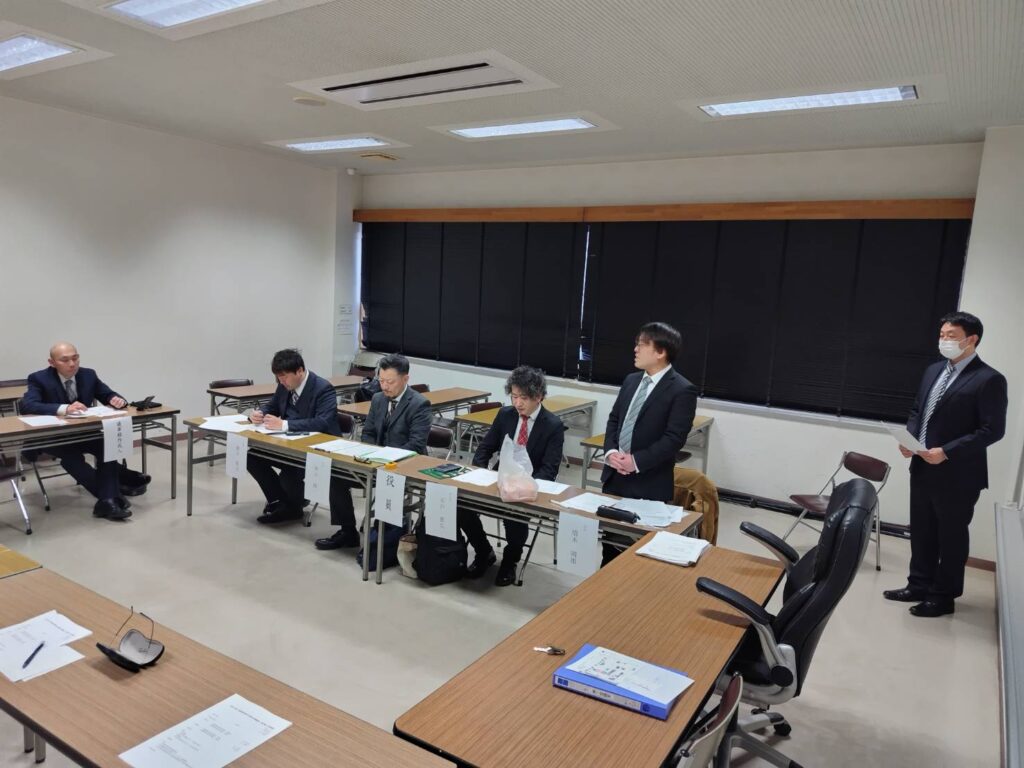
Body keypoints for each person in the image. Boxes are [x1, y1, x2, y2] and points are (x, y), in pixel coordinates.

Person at [884, 312, 1007, 617]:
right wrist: (910, 439)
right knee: (922, 530)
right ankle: (918, 585)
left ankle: (943, 597)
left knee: (950, 537)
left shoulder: (989, 379)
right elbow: (918, 410)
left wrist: (947, 451)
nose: (943, 340)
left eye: (951, 336)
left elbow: (992, 430)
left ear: (971, 339)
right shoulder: (933, 370)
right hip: (923, 466)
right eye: (941, 335)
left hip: (959, 475)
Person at [459, 366, 565, 586]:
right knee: (460, 505)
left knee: (515, 517)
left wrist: (524, 486)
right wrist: (480, 473)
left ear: (539, 396)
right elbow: (485, 448)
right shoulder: (505, 415)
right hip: (498, 481)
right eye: (514, 396)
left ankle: (510, 561)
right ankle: (484, 551)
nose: (518, 403)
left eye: (523, 398)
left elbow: (549, 469)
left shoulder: (553, 426)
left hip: (527, 488)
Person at [601, 322, 697, 562]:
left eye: (642, 345)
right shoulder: (631, 380)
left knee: (641, 553)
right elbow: (614, 419)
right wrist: (611, 452)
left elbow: (674, 439)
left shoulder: (682, 390)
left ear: (661, 352)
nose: (635, 349)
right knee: (610, 547)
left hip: (649, 482)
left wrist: (635, 461)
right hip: (615, 478)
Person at [315, 353, 431, 550]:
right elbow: (368, 432)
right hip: (374, 463)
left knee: (388, 487)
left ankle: (387, 540)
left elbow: (416, 445)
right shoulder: (378, 399)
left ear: (405, 379)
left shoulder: (419, 404)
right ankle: (347, 531)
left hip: (403, 466)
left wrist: (386, 459)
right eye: (381, 380)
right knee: (336, 475)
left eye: (390, 382)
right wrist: (370, 453)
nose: (384, 386)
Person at [21, 342, 134, 521]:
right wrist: (64, 408)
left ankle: (108, 500)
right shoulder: (39, 378)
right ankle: (111, 497)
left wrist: (115, 399)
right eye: (65, 360)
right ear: (52, 362)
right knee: (72, 457)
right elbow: (28, 405)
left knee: (108, 445)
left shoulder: (88, 375)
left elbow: (107, 394)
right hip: (51, 435)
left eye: (75, 358)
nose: (72, 364)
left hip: (82, 432)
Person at [248, 349, 340, 524]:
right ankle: (281, 502)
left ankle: (291, 506)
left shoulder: (323, 388)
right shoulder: (284, 386)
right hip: (288, 444)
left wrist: (284, 424)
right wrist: (258, 413)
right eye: (278, 378)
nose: (281, 381)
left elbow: (322, 422)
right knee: (252, 456)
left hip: (316, 448)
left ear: (299, 371)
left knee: (291, 470)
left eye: (284, 377)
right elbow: (272, 406)